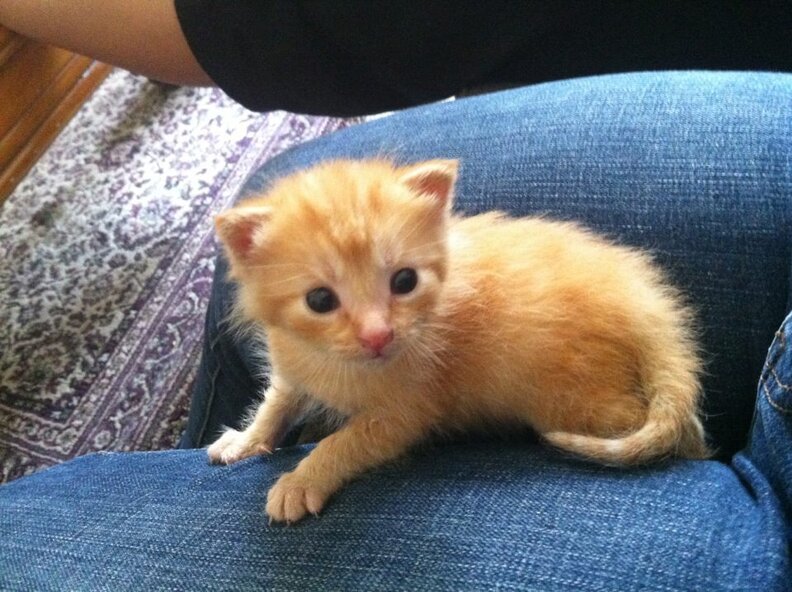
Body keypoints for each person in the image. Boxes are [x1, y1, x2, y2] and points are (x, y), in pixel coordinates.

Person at [1, 4, 791, 591]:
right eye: (323, 300)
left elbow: (400, 415)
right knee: (270, 244)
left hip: (560, 343)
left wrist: (323, 465)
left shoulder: (396, 328)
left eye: (403, 282)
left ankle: (679, 450)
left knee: (28, 536)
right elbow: (294, 369)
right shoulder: (295, 296)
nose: (377, 330)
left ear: (433, 223)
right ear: (253, 260)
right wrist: (265, 431)